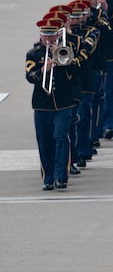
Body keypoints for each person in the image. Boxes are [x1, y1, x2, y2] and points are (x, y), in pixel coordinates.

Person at [27, 17, 79, 191]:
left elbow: (77, 73)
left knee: (60, 137)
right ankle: (48, 177)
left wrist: (63, 59)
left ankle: (60, 176)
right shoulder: (33, 54)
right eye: (45, 35)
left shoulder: (67, 51)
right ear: (41, 36)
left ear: (58, 34)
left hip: (64, 103)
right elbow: (30, 76)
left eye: (52, 35)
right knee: (44, 140)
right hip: (42, 104)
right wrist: (44, 69)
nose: (49, 39)